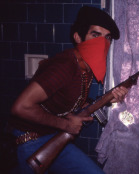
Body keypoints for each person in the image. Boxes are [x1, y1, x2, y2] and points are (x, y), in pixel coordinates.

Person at [8, 6, 128, 174]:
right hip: (29, 140)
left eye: (107, 38)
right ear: (78, 37)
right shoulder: (65, 66)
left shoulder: (86, 66)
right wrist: (66, 124)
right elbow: (20, 107)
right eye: (95, 35)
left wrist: (108, 100)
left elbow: (71, 100)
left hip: (53, 136)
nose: (102, 43)